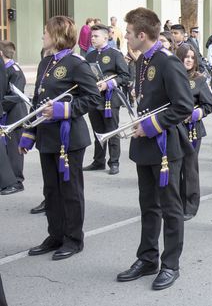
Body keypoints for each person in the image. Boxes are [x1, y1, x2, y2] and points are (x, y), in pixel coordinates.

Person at [116, 7, 192, 291]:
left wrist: (152, 124)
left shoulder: (167, 62)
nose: (125, 37)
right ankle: (147, 258)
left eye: (128, 33)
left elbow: (184, 106)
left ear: (142, 35)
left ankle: (170, 264)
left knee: (170, 209)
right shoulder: (143, 61)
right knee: (148, 206)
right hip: (146, 146)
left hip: (164, 147)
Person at [20, 16, 101, 261]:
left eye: (45, 31)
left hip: (69, 139)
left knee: (70, 190)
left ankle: (73, 239)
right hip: (47, 137)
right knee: (51, 190)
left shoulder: (76, 63)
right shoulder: (45, 62)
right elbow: (37, 101)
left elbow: (93, 97)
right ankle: (55, 235)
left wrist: (63, 110)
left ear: (57, 35)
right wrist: (28, 133)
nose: (42, 35)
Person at [83, 24, 130, 175]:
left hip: (110, 99)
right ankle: (99, 161)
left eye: (96, 36)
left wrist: (108, 84)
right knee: (98, 131)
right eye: (92, 36)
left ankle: (114, 162)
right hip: (94, 99)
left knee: (112, 131)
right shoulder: (89, 56)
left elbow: (125, 76)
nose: (93, 39)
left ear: (106, 37)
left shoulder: (115, 54)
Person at [176, 43, 212, 220]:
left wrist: (195, 113)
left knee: (189, 167)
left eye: (192, 57)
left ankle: (190, 206)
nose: (189, 60)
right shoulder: (172, 76)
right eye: (186, 56)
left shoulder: (199, 79)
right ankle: (175, 202)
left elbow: (209, 105)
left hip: (192, 129)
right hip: (173, 128)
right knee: (174, 167)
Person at [0, 41, 28, 195]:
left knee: (14, 150)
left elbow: (16, 95)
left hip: (14, 116)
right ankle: (6, 180)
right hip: (5, 114)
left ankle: (17, 181)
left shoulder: (14, 70)